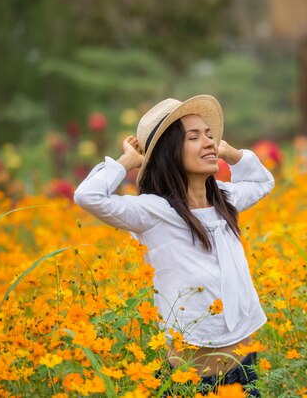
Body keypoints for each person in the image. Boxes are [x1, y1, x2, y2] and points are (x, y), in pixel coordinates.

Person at [73, 95, 274, 396]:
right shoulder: (153, 212)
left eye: (210, 135)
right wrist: (129, 160)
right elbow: (87, 196)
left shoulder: (224, 199)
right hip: (194, 383)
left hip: (245, 368)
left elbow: (262, 182)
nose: (209, 142)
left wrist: (228, 151)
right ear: (169, 152)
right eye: (194, 137)